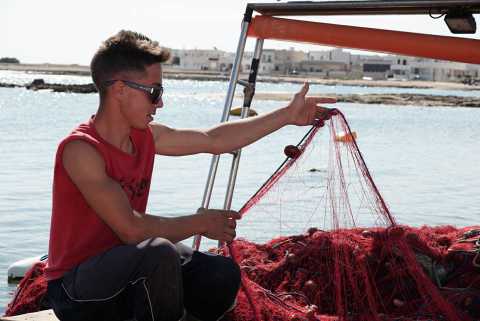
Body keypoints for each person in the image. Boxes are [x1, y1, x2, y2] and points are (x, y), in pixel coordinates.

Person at [45, 30, 335, 321]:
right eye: (154, 92)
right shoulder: (81, 150)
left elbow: (213, 139)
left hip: (129, 274)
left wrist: (286, 115)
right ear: (119, 89)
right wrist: (201, 223)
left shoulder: (145, 136)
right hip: (74, 292)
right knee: (159, 254)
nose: (160, 104)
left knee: (220, 274)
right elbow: (131, 230)